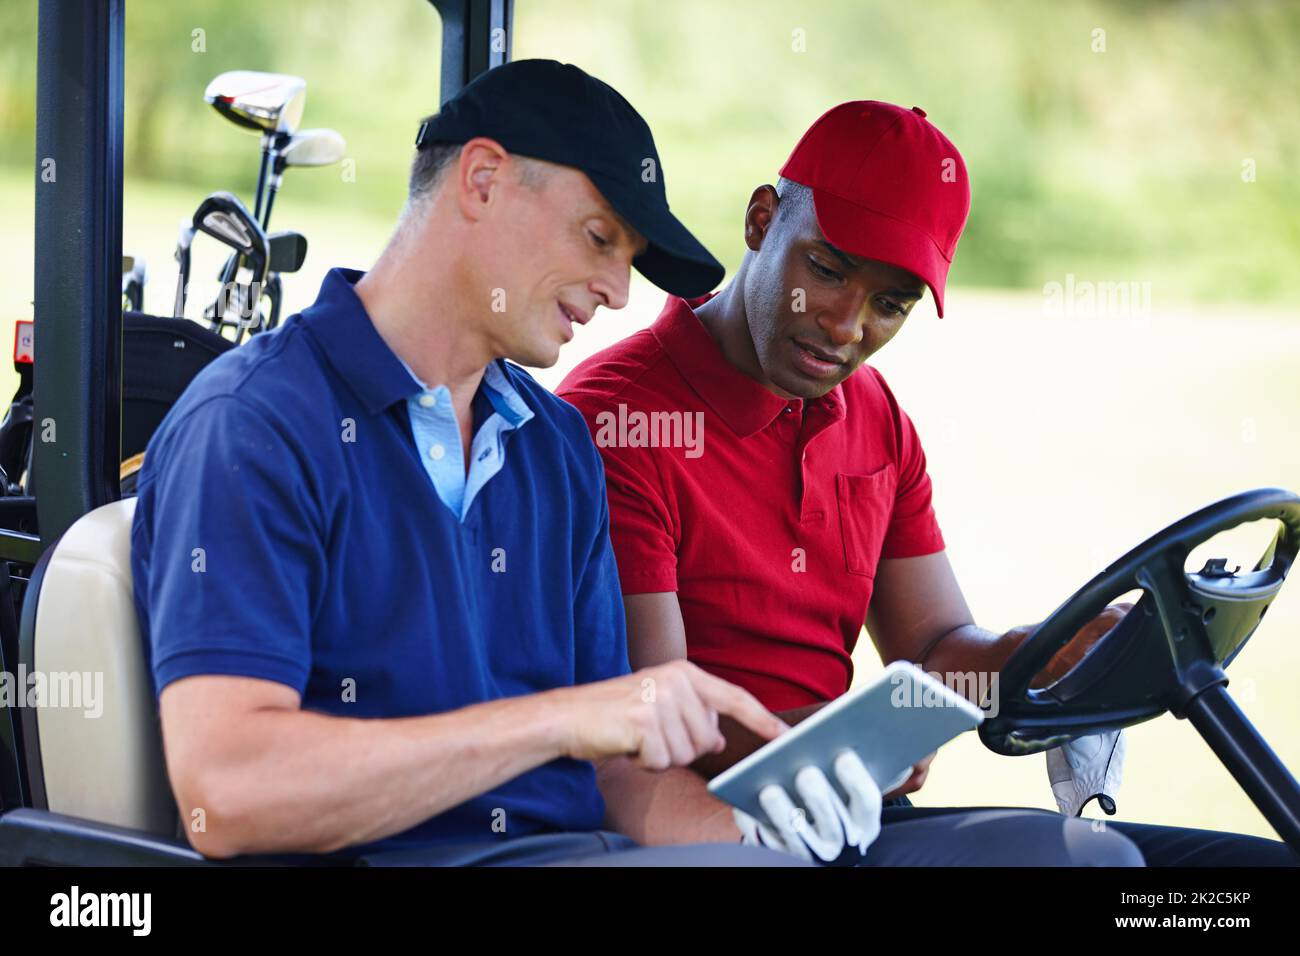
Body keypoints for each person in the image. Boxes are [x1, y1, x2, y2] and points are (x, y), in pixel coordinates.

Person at [558, 100, 1296, 866]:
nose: (847, 326)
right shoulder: (617, 421)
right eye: (828, 270)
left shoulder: (874, 415)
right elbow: (651, 716)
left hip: (858, 811)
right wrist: (854, 738)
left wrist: (1050, 650)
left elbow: (939, 646)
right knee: (1100, 868)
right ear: (761, 221)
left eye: (889, 304)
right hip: (720, 827)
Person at [129, 59, 800, 867]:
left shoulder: (556, 447)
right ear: (481, 179)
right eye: (599, 239)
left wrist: (773, 841)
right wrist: (561, 718)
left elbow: (617, 772)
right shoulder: (254, 425)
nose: (619, 291)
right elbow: (228, 797)